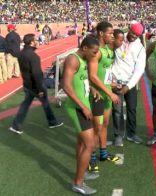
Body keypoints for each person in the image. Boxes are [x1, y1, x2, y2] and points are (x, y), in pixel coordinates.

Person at [63, 36, 100, 195]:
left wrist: (91, 88)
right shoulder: (73, 59)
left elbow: (81, 80)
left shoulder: (83, 59)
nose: (95, 55)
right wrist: (83, 107)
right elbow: (66, 86)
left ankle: (81, 173)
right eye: (93, 52)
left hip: (83, 105)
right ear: (84, 48)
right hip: (77, 108)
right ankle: (78, 183)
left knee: (81, 143)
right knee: (89, 145)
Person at [9, 34, 63, 134]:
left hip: (27, 84)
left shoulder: (21, 54)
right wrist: (40, 89)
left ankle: (16, 125)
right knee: (45, 103)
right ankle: (52, 122)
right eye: (36, 40)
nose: (38, 41)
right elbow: (36, 74)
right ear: (31, 42)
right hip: (36, 85)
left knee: (25, 105)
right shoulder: (33, 56)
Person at [87, 22, 121, 173]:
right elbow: (92, 76)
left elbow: (104, 71)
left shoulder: (108, 49)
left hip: (106, 91)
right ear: (101, 33)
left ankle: (103, 154)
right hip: (99, 94)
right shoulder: (96, 51)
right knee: (96, 128)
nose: (112, 36)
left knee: (105, 123)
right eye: (109, 33)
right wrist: (109, 93)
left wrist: (111, 83)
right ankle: (91, 159)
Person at [111, 22, 146, 146]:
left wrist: (128, 86)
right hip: (115, 82)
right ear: (129, 29)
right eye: (132, 33)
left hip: (129, 84)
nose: (133, 36)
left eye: (137, 35)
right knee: (117, 110)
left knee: (132, 109)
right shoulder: (119, 38)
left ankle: (132, 134)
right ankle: (118, 135)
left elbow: (139, 69)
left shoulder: (140, 48)